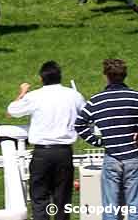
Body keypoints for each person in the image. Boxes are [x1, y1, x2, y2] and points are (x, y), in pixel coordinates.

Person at [75, 59, 138, 220]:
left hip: (111, 156)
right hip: (132, 157)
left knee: (110, 209)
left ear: (106, 76)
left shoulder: (97, 100)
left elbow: (79, 124)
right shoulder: (137, 97)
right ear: (125, 76)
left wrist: (98, 141)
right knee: (135, 209)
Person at [6, 61, 85, 220]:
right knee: (62, 200)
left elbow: (11, 111)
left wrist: (22, 93)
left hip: (42, 153)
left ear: (42, 78)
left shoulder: (35, 96)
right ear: (60, 77)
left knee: (40, 199)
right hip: (64, 152)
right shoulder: (73, 95)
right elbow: (87, 115)